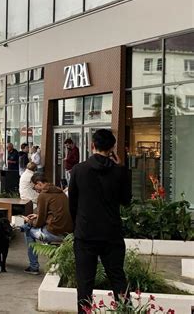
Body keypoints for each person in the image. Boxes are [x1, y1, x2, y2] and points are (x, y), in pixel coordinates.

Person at [69, 129, 132, 313]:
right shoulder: (119, 172)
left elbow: (72, 203)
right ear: (112, 148)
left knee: (85, 283)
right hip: (112, 233)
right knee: (118, 279)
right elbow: (126, 201)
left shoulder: (78, 170)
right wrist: (122, 169)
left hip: (85, 233)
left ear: (92, 146)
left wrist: (78, 226)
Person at [22, 174, 73, 275]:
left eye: (34, 187)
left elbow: (39, 223)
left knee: (28, 229)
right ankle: (21, 227)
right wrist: (37, 216)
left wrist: (29, 220)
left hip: (55, 233)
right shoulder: (60, 192)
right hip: (68, 233)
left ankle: (34, 267)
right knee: (28, 225)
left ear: (39, 183)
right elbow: (55, 213)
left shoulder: (43, 195)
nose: (35, 190)